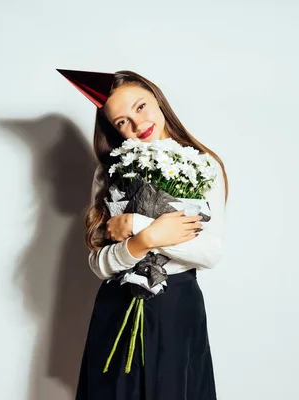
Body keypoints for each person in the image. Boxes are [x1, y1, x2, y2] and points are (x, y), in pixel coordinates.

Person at [57, 68, 229, 400]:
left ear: (158, 101)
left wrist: (139, 227)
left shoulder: (205, 166)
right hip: (118, 305)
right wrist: (142, 243)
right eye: (121, 121)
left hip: (176, 309)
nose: (137, 124)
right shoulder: (109, 171)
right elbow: (99, 265)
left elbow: (209, 253)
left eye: (140, 107)